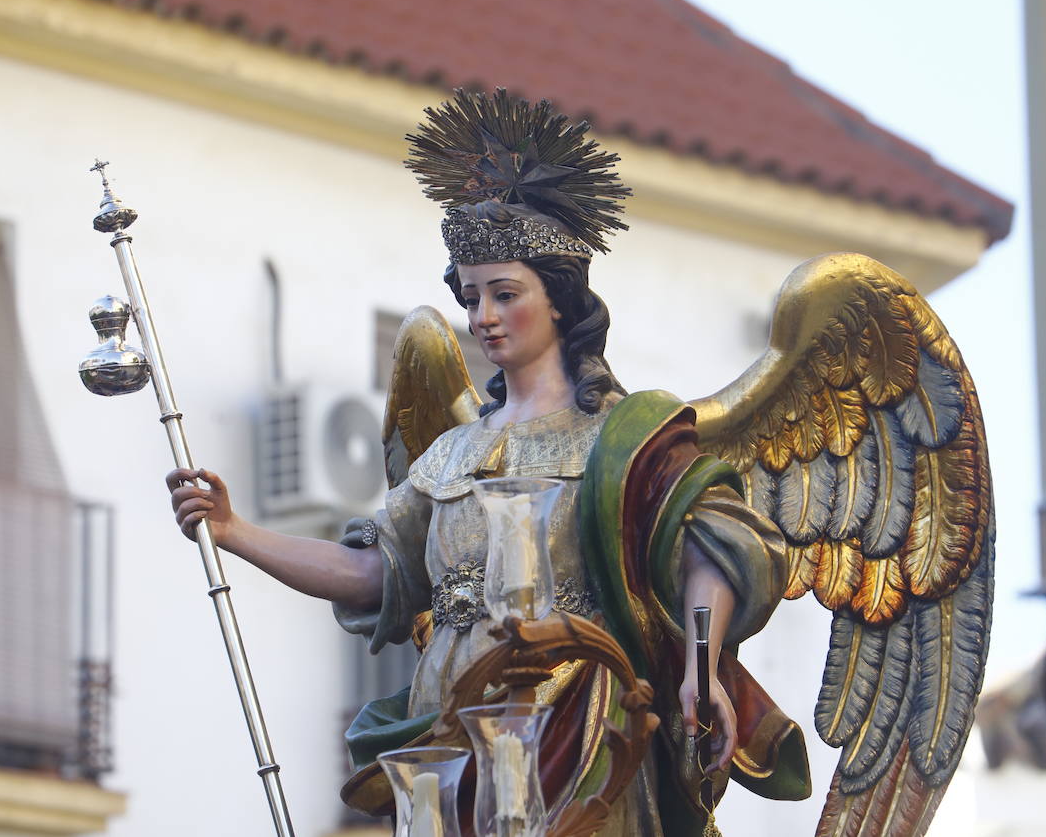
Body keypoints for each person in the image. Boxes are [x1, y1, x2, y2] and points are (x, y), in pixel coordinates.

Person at [167, 90, 809, 835]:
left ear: (561, 300)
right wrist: (235, 529)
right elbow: (377, 574)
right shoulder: (451, 452)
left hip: (579, 718)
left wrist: (700, 667)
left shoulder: (623, 435)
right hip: (450, 720)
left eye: (506, 294)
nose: (484, 318)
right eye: (472, 297)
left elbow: (713, 549)